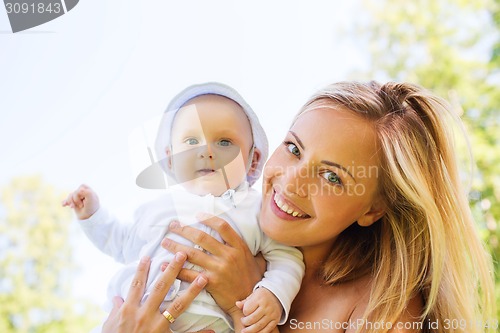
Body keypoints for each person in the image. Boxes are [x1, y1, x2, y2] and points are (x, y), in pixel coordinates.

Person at [101, 80, 496, 333]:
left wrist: (242, 304)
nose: (290, 182)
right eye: (293, 149)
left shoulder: (384, 311)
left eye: (333, 176)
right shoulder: (220, 230)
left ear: (372, 210)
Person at [63, 82, 305, 333]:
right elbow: (122, 242)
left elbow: (286, 258)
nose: (206, 151)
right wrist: (92, 215)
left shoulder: (256, 208)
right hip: (135, 318)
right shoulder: (157, 208)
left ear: (252, 158)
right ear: (170, 158)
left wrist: (273, 294)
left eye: (224, 142)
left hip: (214, 325)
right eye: (191, 140)